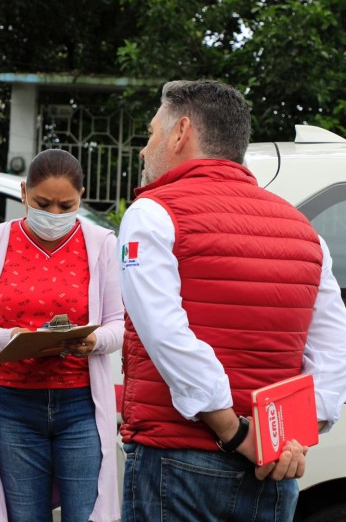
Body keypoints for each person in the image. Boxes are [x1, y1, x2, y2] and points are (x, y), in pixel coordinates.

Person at [118, 80, 346, 521]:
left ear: (181, 132)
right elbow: (334, 350)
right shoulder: (305, 232)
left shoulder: (153, 214)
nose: (144, 150)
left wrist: (237, 433)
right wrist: (288, 440)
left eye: (151, 133)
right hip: (274, 467)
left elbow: (166, 334)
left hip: (177, 459)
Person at [0, 148, 123, 522]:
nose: (54, 215)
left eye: (67, 206)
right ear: (24, 192)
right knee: (24, 515)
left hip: (82, 406)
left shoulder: (102, 245)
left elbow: (119, 323)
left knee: (86, 514)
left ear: (82, 197)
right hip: (13, 405)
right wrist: (9, 338)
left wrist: (94, 342)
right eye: (43, 204)